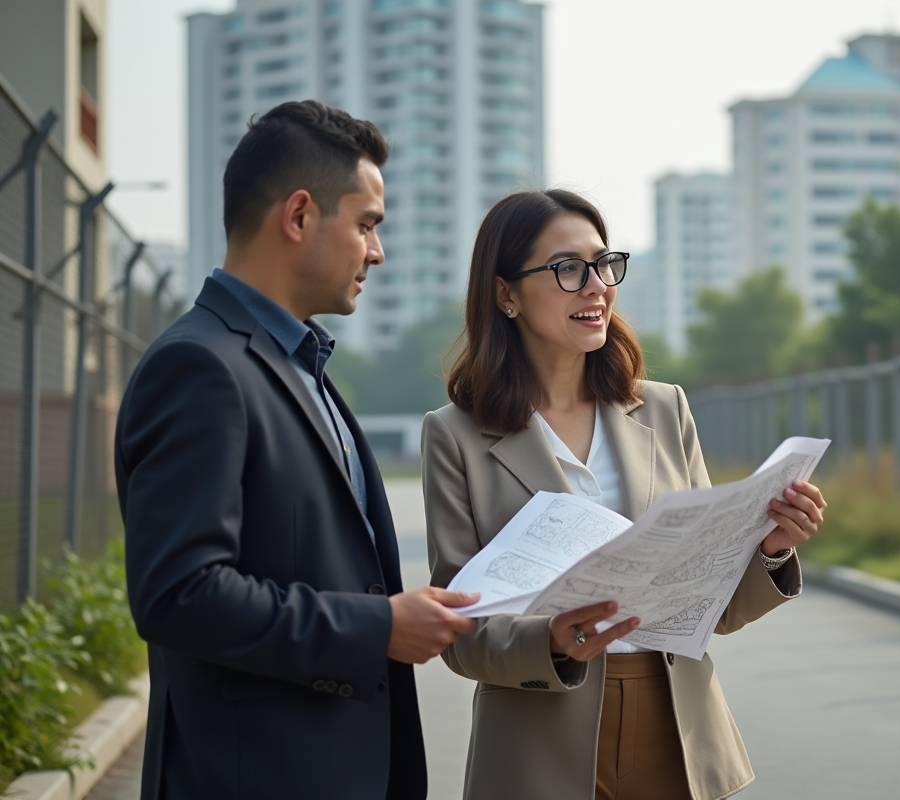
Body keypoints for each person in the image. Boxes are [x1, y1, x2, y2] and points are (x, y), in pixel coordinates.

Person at [115, 100, 479, 800]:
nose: (378, 251)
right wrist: (378, 627)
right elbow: (178, 594)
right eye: (367, 225)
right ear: (300, 215)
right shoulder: (199, 367)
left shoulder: (299, 364)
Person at [421, 189, 827, 800]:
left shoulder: (665, 409)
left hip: (675, 727)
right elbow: (460, 632)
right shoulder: (454, 436)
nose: (596, 287)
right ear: (506, 294)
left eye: (604, 264)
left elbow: (714, 607)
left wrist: (770, 549)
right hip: (537, 742)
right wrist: (548, 640)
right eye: (568, 269)